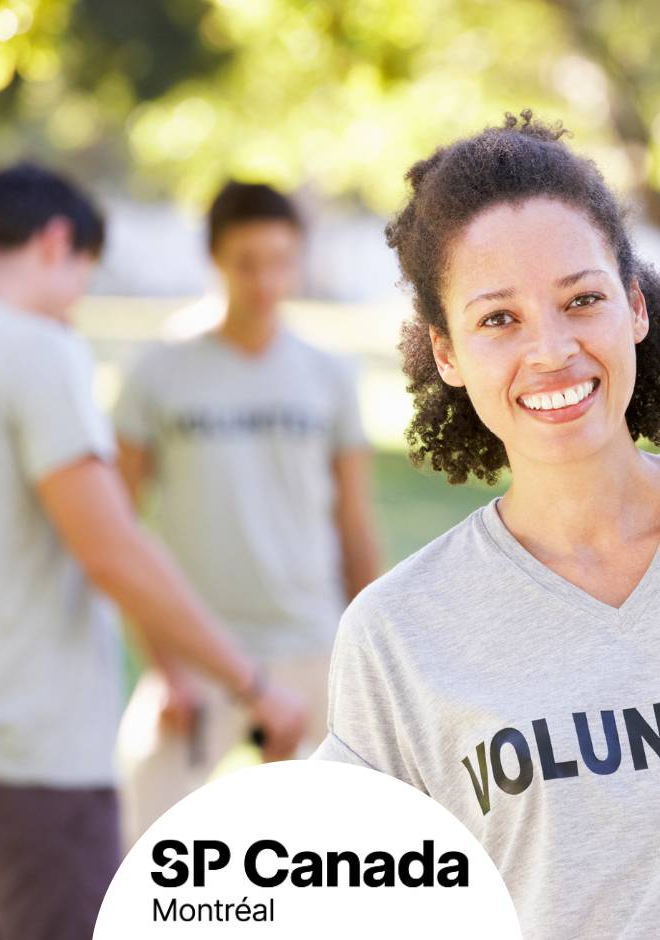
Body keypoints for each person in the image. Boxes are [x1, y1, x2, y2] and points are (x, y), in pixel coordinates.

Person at [314, 110, 660, 939]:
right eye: (498, 319)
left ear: (633, 308)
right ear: (446, 353)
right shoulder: (399, 634)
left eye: (581, 300)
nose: (551, 350)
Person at [0, 163, 305, 940]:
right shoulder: (38, 351)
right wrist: (251, 685)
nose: (76, 300)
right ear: (56, 243)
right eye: (82, 275)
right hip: (37, 759)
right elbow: (111, 548)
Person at [114, 181, 380, 844]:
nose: (265, 282)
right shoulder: (157, 374)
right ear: (214, 259)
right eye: (246, 263)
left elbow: (354, 523)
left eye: (280, 262)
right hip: (199, 651)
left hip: (313, 644)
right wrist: (164, 666)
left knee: (337, 855)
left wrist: (370, 658)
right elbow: (118, 532)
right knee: (142, 850)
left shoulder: (328, 375)